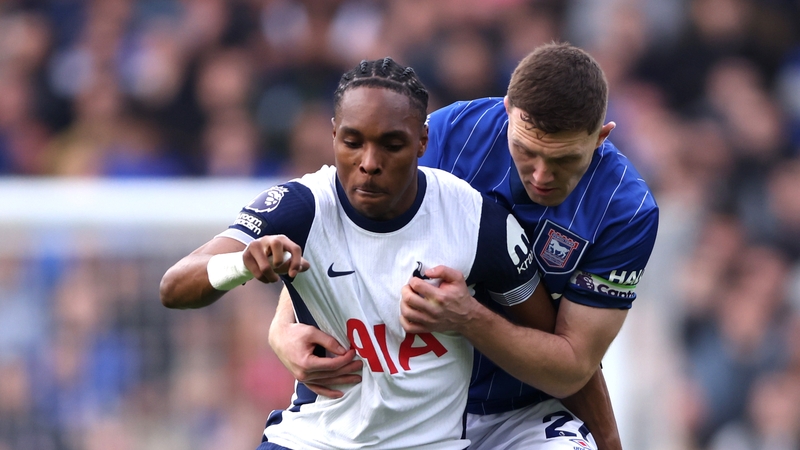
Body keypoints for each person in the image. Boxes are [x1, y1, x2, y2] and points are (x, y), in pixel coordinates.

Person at [269, 42, 659, 449]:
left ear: (601, 137)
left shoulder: (624, 211)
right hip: (404, 401)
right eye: (526, 151)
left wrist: (468, 317)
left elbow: (572, 368)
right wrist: (281, 329)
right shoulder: (449, 137)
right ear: (507, 111)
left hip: (522, 410)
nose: (541, 174)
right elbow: (339, 225)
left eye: (563, 160)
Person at [160, 57, 548, 450]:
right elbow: (174, 287)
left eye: (391, 145)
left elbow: (549, 346)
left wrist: (472, 318)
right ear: (333, 135)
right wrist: (240, 265)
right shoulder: (301, 206)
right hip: (311, 439)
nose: (368, 163)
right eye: (352, 142)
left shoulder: (475, 219)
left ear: (422, 142)